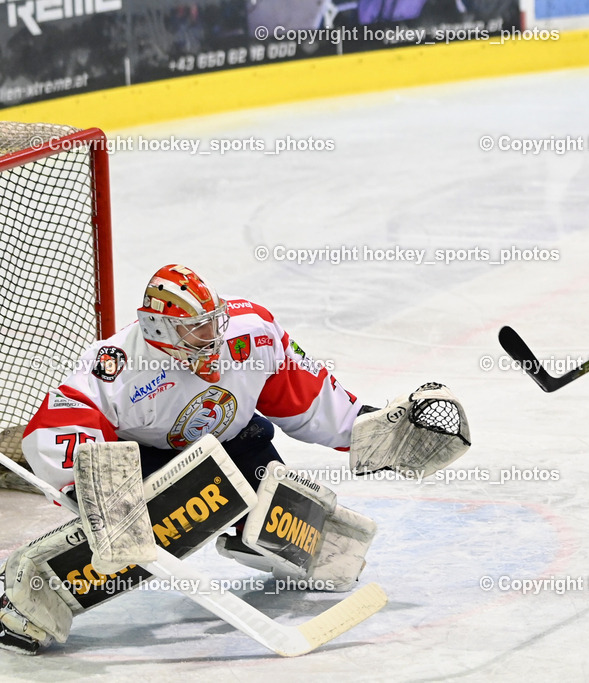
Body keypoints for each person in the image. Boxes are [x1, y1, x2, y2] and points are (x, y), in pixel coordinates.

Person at [0, 264, 470, 654]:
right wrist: (94, 485)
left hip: (235, 440)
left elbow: (305, 396)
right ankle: (27, 597)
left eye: (213, 320)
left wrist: (376, 432)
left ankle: (254, 536)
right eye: (194, 328)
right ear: (158, 329)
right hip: (150, 464)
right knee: (144, 533)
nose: (211, 335)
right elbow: (58, 423)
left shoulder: (252, 332)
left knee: (316, 539)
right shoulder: (118, 366)